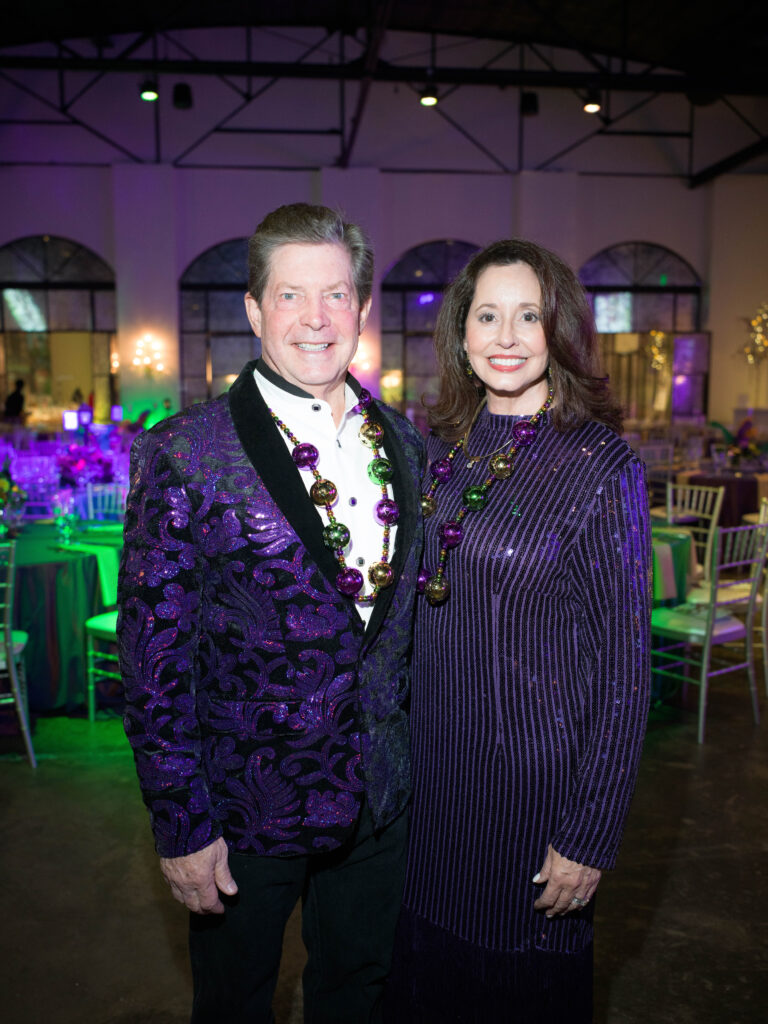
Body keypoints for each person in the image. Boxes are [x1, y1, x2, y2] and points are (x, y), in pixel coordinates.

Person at [117, 203, 425, 1023]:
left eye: (335, 295)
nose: (316, 318)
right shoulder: (184, 451)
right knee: (234, 1005)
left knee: (358, 992)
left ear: (361, 309)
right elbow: (153, 662)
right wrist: (181, 823)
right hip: (245, 808)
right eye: (291, 295)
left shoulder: (406, 442)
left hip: (379, 798)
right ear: (255, 310)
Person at [385, 239, 652, 1023]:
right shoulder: (439, 450)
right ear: (461, 335)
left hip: (530, 804)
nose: (506, 336)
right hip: (431, 794)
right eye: (487, 315)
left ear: (557, 328)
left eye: (527, 315)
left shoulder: (601, 465)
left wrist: (590, 833)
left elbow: (626, 670)